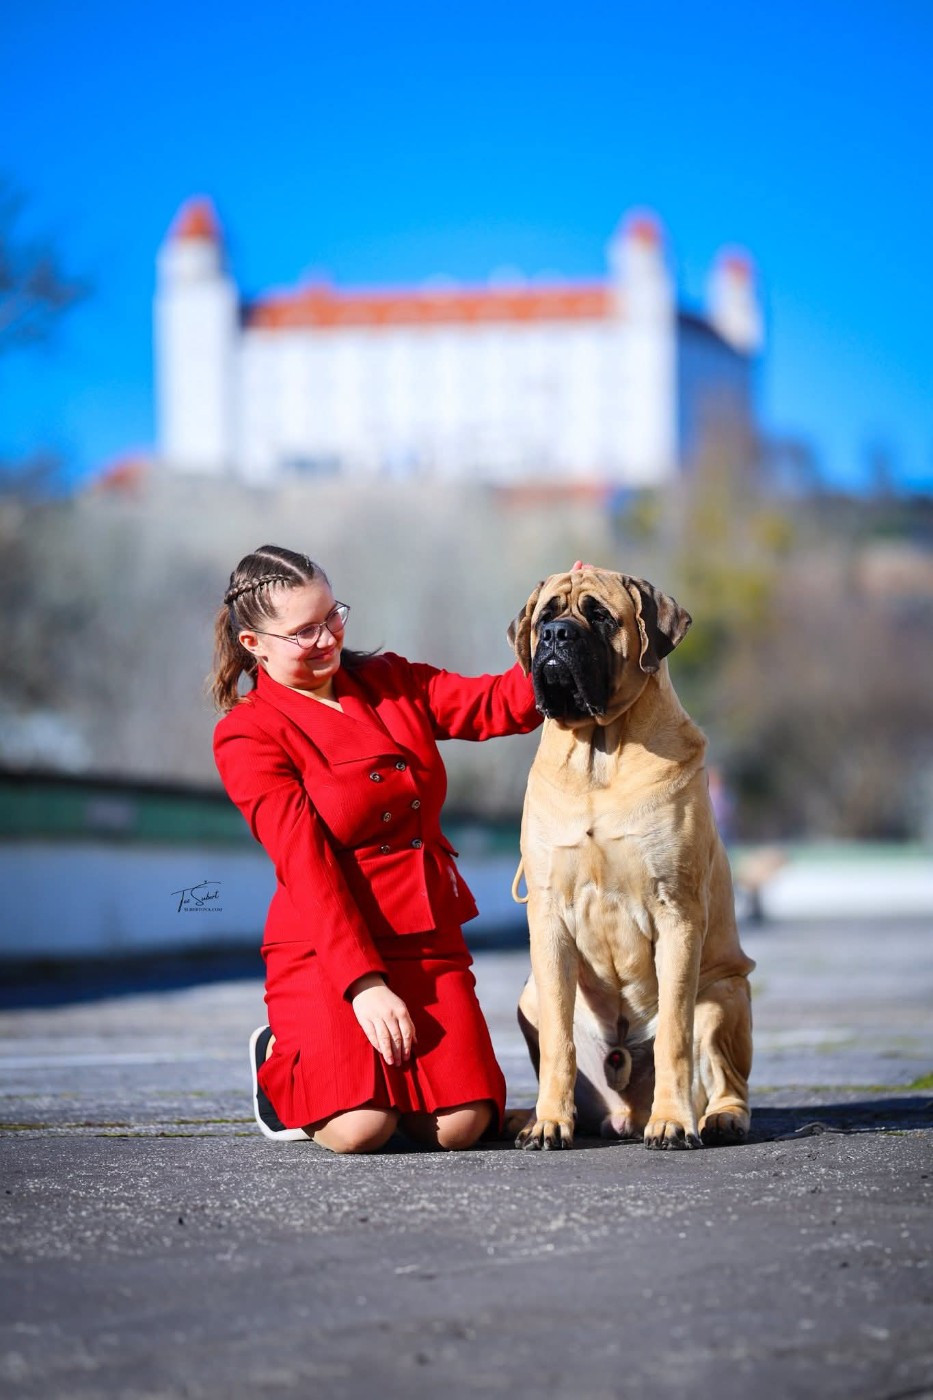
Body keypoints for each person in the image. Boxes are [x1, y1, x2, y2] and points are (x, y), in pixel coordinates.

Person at [210, 544, 542, 1154]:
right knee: (362, 1130)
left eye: (332, 616)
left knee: (463, 1128)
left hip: (423, 933)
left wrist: (560, 634)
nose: (327, 637)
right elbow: (305, 867)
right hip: (328, 947)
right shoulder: (246, 733)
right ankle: (281, 1065)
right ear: (254, 643)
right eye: (303, 631)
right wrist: (362, 984)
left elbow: (496, 703)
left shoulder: (392, 681)